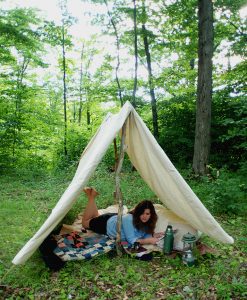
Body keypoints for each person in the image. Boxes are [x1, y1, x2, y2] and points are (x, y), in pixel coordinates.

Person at [82, 187, 162, 246]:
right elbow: (132, 240)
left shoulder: (147, 221)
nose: (144, 216)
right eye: (142, 213)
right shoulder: (129, 219)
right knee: (85, 223)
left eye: (147, 214)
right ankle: (91, 197)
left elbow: (144, 234)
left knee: (95, 216)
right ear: (138, 212)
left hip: (117, 219)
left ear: (151, 214)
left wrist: (152, 235)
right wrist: (148, 240)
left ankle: (91, 195)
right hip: (105, 224)